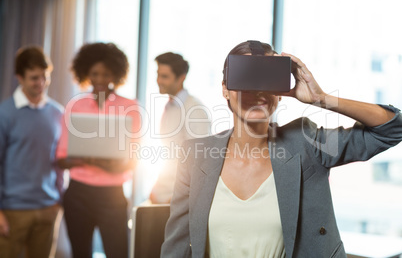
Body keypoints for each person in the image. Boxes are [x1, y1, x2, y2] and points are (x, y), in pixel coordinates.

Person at [161, 41, 402, 258]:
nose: (257, 92)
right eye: (246, 77)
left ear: (279, 93)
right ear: (225, 88)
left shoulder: (306, 144)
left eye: (266, 79)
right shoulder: (195, 155)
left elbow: (391, 129)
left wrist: (322, 98)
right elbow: (176, 247)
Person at [56, 42, 141, 258]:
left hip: (112, 196)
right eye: (95, 73)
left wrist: (90, 159)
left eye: (106, 74)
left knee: (118, 252)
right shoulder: (75, 106)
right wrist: (99, 160)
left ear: (115, 74)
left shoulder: (130, 107)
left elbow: (132, 159)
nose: (101, 80)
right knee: (80, 253)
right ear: (86, 74)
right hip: (78, 194)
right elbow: (61, 158)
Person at [0, 46, 64, 258]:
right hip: (12, 210)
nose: (41, 83)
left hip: (48, 208)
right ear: (19, 77)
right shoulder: (5, 113)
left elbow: (61, 161)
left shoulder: (58, 113)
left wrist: (59, 201)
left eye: (45, 77)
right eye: (34, 78)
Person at [149, 52, 210, 204]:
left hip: (177, 198)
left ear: (181, 78)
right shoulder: (170, 106)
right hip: (164, 194)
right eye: (158, 75)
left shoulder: (194, 110)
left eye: (165, 76)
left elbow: (197, 161)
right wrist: (157, 188)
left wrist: (178, 197)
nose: (158, 80)